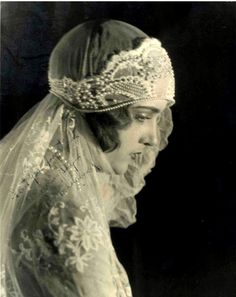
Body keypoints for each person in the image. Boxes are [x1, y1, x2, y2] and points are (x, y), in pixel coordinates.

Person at [0, 19, 175, 297]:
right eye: (142, 117)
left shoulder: (46, 184)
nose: (153, 138)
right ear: (101, 114)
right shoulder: (69, 209)